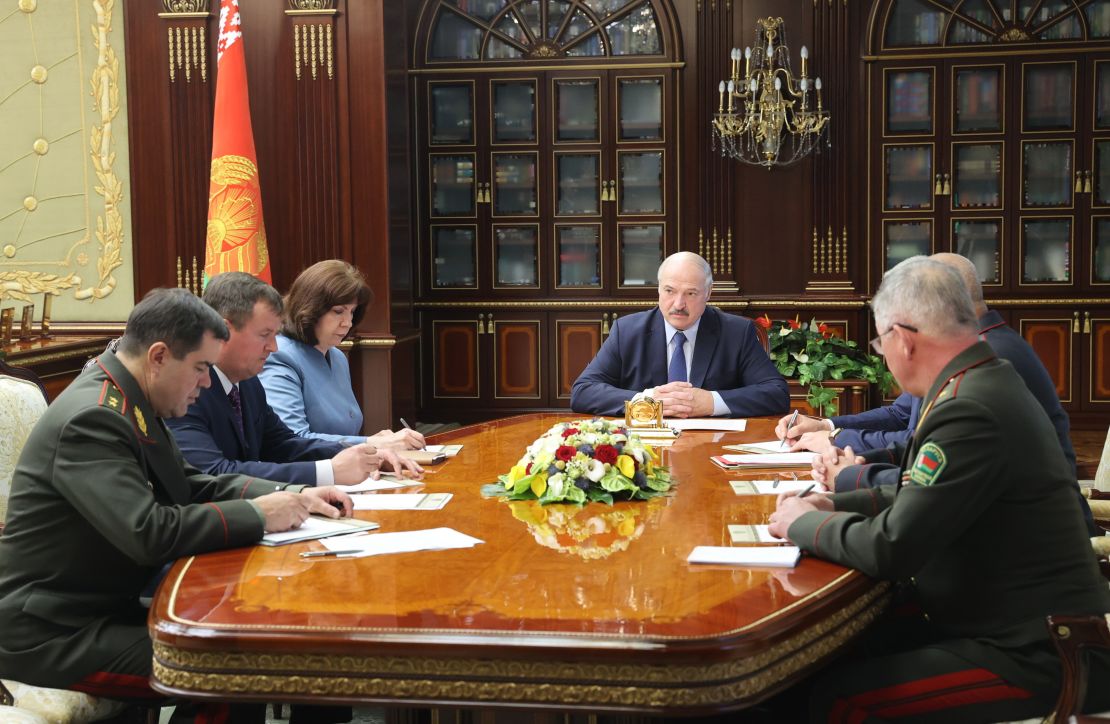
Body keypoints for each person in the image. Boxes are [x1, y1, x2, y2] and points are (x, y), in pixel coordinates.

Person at [768, 257, 1110, 722]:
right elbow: (921, 492)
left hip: (1034, 651)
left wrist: (803, 522)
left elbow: (895, 547)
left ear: (903, 340)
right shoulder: (980, 379)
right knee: (822, 656)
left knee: (842, 698)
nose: (883, 354)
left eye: (879, 341)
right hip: (995, 620)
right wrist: (830, 501)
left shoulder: (970, 406)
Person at [0, 288, 352, 720]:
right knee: (229, 666)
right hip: (53, 633)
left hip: (101, 610)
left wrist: (292, 496)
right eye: (201, 367)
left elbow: (187, 483)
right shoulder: (94, 418)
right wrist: (258, 515)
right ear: (160, 356)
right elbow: (147, 533)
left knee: (244, 644)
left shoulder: (131, 399)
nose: (207, 383)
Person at [777, 252, 1077, 475]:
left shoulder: (990, 356)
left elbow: (919, 447)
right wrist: (827, 425)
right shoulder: (970, 347)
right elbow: (901, 414)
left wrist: (839, 451)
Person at [166, 272, 421, 485]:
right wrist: (328, 472)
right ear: (223, 330)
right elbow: (213, 473)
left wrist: (367, 456)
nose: (274, 347)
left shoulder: (247, 383)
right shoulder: (185, 387)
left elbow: (283, 444)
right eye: (265, 335)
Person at [570, 251, 789, 418]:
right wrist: (645, 400)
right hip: (644, 452)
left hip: (711, 448)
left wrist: (711, 402)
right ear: (658, 289)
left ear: (708, 293)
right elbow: (583, 391)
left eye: (691, 293)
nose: (678, 304)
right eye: (669, 291)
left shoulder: (736, 332)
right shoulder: (628, 331)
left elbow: (776, 393)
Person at [259, 260, 424, 449]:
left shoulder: (336, 356)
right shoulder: (280, 355)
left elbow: (343, 434)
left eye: (352, 312)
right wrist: (372, 443)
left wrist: (373, 444)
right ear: (310, 309)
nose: (347, 322)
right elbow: (293, 439)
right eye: (338, 311)